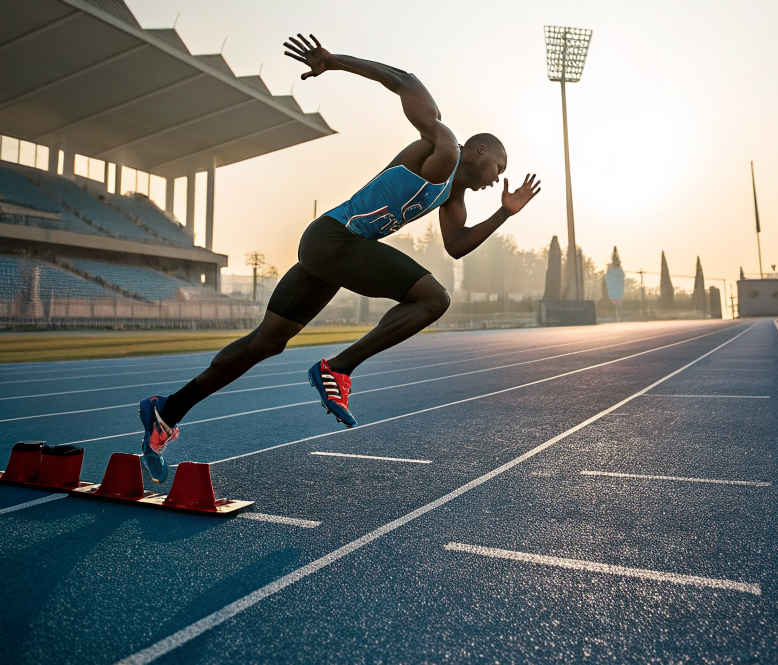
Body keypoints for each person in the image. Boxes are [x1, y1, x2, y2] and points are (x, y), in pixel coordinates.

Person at [137, 35, 541, 481]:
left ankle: (166, 411)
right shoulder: (444, 145)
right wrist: (336, 62)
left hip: (331, 251)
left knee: (266, 343)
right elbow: (405, 80)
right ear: (481, 151)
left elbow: (457, 246)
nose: (496, 179)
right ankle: (338, 370)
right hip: (334, 239)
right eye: (499, 168)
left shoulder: (453, 198)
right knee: (434, 299)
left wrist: (505, 212)